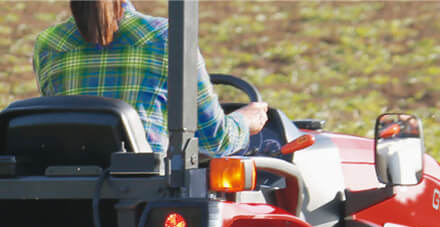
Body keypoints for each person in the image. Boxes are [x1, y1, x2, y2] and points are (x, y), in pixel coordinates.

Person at [33, 0, 268, 156]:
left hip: (71, 193)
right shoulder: (166, 37)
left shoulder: (49, 44)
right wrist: (245, 120)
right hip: (144, 199)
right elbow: (215, 139)